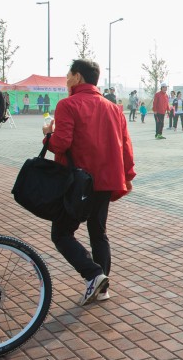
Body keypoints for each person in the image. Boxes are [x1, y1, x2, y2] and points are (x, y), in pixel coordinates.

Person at [43, 59, 135, 306]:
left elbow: (61, 143)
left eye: (68, 73)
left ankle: (93, 274)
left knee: (62, 233)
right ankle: (102, 287)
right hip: (105, 180)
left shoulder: (68, 105)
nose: (66, 77)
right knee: (98, 232)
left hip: (77, 182)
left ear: (78, 77)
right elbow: (125, 145)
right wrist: (126, 174)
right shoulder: (114, 108)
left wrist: (46, 136)